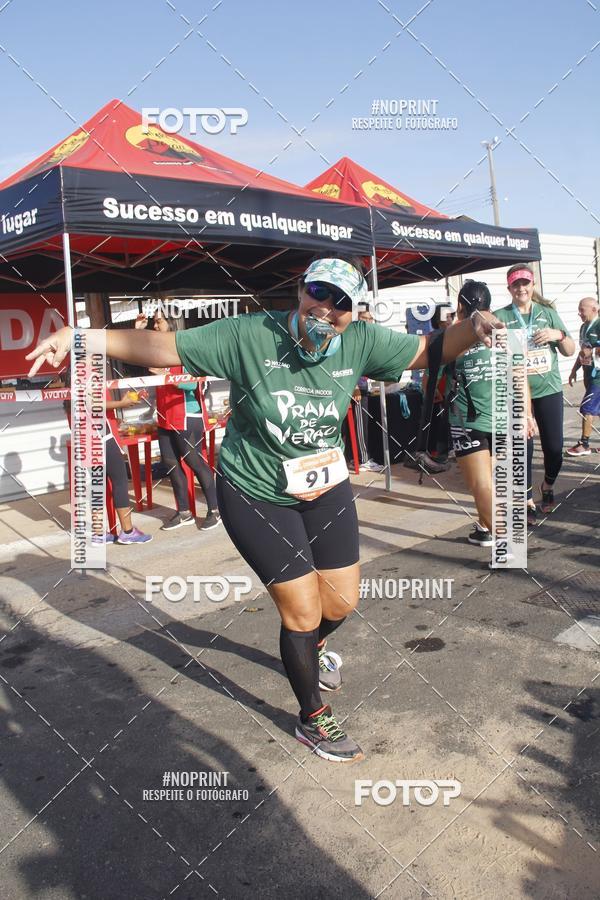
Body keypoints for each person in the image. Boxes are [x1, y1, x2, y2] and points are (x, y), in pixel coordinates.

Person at [28, 257, 503, 763]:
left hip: (325, 485)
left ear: (354, 310)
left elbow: (429, 351)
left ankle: (312, 649)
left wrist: (474, 328)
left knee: (339, 602)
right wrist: (82, 336)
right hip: (255, 490)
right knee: (301, 608)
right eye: (319, 293)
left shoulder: (363, 340)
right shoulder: (252, 333)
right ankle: (312, 718)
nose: (327, 308)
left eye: (341, 302)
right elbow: (164, 348)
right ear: (301, 291)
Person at [445, 280, 536, 549]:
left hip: (467, 420)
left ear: (460, 306)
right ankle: (485, 527)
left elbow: (434, 377)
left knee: (482, 483)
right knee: (492, 482)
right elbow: (520, 376)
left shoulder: (454, 336)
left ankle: (508, 545)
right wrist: (526, 415)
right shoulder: (506, 331)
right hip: (504, 417)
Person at [494, 264, 574, 523]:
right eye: (516, 284)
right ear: (509, 288)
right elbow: (492, 357)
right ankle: (526, 500)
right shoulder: (500, 317)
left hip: (548, 388)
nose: (521, 288)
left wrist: (558, 334)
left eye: (525, 283)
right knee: (522, 449)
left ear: (533, 285)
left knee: (554, 448)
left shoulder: (547, 313)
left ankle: (548, 486)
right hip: (516, 392)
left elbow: (570, 350)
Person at [134, 312, 220, 530]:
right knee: (170, 464)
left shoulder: (186, 350)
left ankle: (215, 510)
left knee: (195, 462)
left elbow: (194, 384)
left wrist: (166, 375)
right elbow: (136, 350)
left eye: (159, 321)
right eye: (154, 322)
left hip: (187, 417)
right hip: (165, 418)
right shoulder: (157, 352)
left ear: (172, 324)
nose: (155, 324)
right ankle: (184, 512)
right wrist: (138, 330)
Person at [62, 368, 152, 544]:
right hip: (102, 440)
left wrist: (118, 410)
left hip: (86, 442)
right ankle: (127, 531)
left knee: (98, 486)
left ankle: (99, 533)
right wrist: (121, 404)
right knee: (119, 482)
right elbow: (92, 404)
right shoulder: (87, 374)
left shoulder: (70, 387)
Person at [345, 305, 384, 473]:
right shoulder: (351, 337)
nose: (368, 322)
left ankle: (353, 457)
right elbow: (348, 364)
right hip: (355, 388)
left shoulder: (366, 337)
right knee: (360, 423)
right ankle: (361, 459)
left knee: (358, 424)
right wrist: (354, 387)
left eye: (370, 318)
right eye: (364, 318)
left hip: (364, 386)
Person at [567, 297, 600, 456]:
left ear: (594, 309)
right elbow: (583, 351)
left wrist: (593, 351)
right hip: (589, 375)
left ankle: (584, 444)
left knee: (587, 408)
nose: (579, 313)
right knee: (597, 410)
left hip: (598, 377)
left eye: (582, 310)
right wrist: (574, 370)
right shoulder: (583, 327)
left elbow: (590, 350)